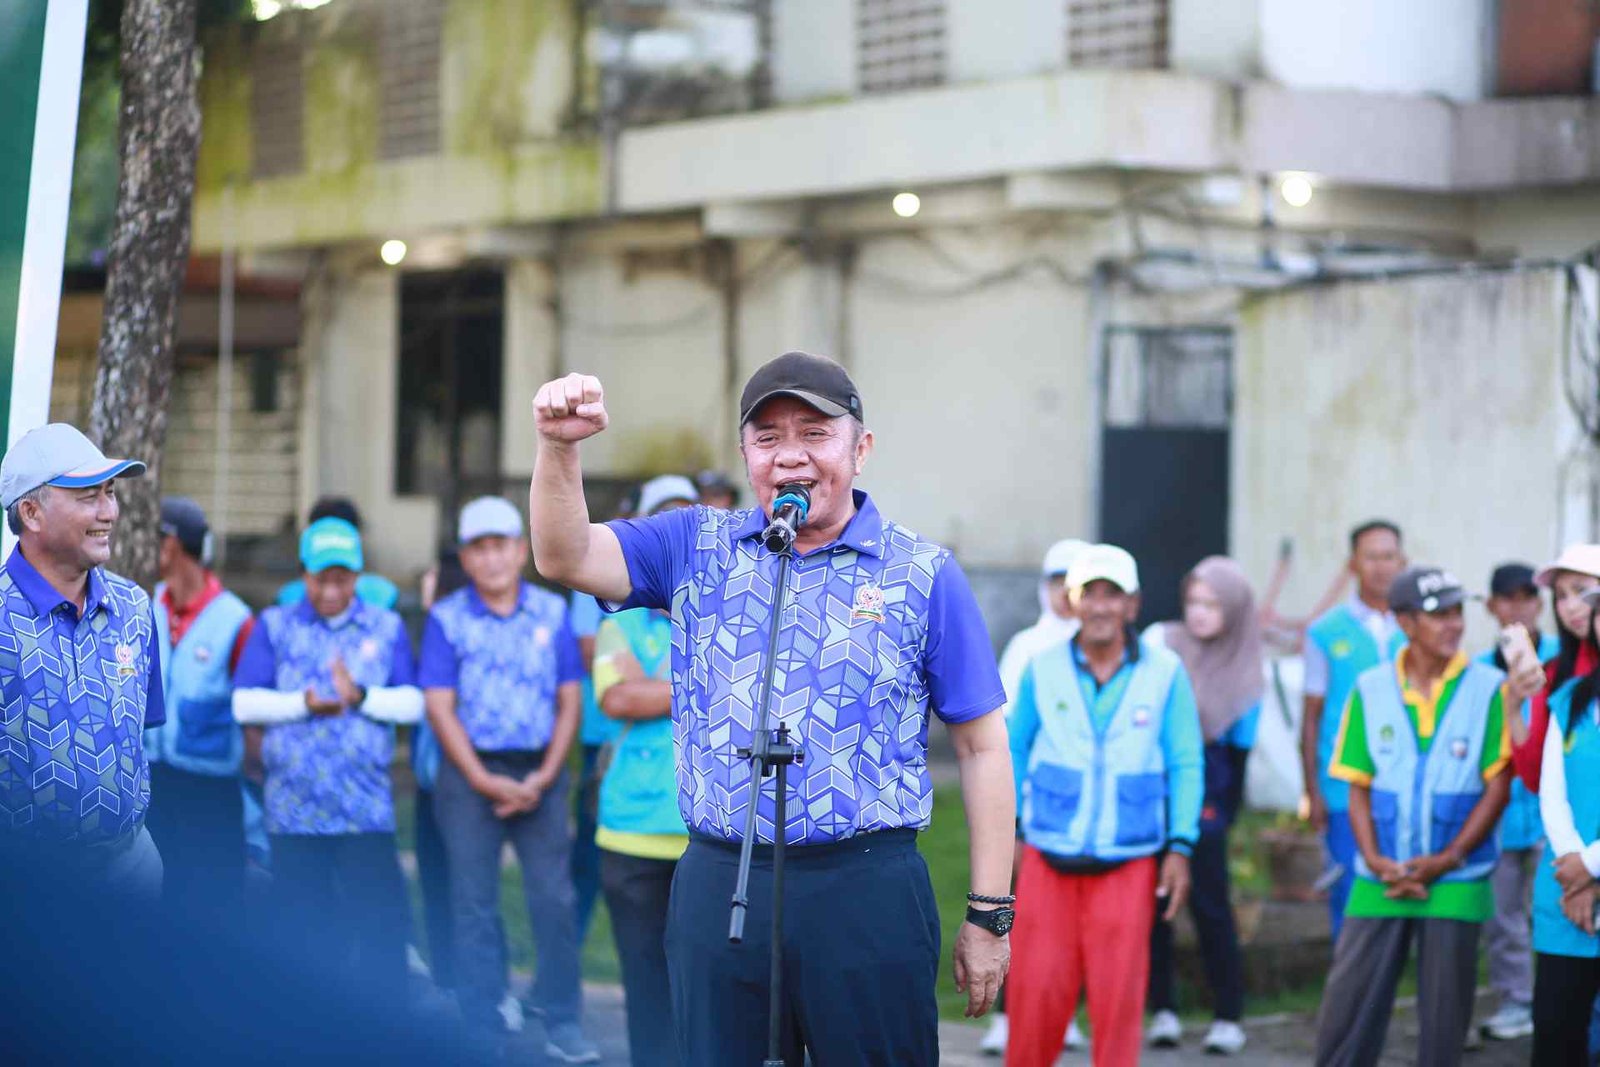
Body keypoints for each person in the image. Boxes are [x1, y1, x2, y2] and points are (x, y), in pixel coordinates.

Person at [529, 352, 1015, 1066]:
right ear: (745, 453)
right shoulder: (693, 544)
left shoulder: (923, 574)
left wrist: (989, 911)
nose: (791, 456)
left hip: (867, 888)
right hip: (722, 885)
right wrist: (558, 446)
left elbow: (982, 746)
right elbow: (564, 555)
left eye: (815, 433)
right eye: (768, 437)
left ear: (861, 448)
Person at [1313, 566, 1525, 1067]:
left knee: (1443, 1026)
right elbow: (1357, 785)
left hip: (1458, 877)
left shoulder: (1491, 686)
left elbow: (1498, 785)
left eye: (1457, 613)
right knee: (1345, 1016)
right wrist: (1374, 859)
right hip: (1380, 876)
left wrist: (1448, 859)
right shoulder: (1370, 687)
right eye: (1438, 615)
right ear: (1405, 622)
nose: (1453, 625)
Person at [1005, 543, 1203, 1067]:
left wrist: (1180, 845)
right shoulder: (1041, 668)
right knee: (1035, 996)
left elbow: (1186, 761)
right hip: (1048, 857)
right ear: (1070, 603)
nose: (1099, 607)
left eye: (1111, 595)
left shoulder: (1165, 673)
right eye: (1087, 594)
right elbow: (1012, 750)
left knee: (1119, 1004)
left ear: (1132, 605)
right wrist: (1012, 831)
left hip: (1129, 860)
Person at [417, 496, 597, 1063]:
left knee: (554, 898)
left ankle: (561, 1018)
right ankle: (483, 1021)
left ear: (521, 551)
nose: (492, 558)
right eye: (479, 548)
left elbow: (570, 698)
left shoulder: (552, 612)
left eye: (501, 545)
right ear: (466, 559)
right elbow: (440, 707)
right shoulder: (447, 619)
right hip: (468, 773)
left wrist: (545, 776)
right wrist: (482, 779)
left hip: (539, 770)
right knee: (474, 902)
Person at [231, 516, 423, 1004]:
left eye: (342, 577)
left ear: (358, 576)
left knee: (381, 932)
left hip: (365, 812)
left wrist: (360, 696)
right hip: (294, 810)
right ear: (303, 575)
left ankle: (385, 1035)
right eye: (321, 578)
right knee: (300, 935)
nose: (331, 589)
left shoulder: (386, 625)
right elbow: (244, 703)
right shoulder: (275, 625)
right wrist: (302, 704)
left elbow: (414, 703)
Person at [0, 424, 164, 899]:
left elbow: (139, 741)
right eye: (88, 496)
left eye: (110, 493)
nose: (109, 512)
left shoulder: (134, 609)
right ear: (31, 512)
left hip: (131, 875)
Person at [591, 474, 699, 1065]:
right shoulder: (620, 621)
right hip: (631, 834)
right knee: (645, 985)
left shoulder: (727, 615)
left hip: (707, 840)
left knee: (708, 986)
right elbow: (618, 699)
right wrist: (708, 684)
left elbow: (640, 692)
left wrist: (651, 686)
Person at [1143, 557, 1263, 1056]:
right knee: (1152, 907)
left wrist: (1219, 817)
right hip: (1151, 789)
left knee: (1212, 905)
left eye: (1212, 604)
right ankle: (1162, 1010)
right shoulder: (1159, 642)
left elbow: (1238, 756)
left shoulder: (1246, 668)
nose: (1198, 614)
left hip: (1209, 798)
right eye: (1193, 601)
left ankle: (1227, 1016)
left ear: (1233, 610)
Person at [983, 536, 1091, 1058]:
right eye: (1056, 582)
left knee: (1074, 921)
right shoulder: (1028, 645)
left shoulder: (1100, 644)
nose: (1065, 595)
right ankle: (1005, 1017)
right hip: (1028, 799)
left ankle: (1064, 1014)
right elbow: (1004, 732)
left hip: (1081, 808)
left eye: (1075, 584)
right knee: (1013, 909)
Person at [144, 497, 254, 912]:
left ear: (170, 546)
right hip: (152, 780)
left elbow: (249, 714)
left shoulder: (235, 619)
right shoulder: (144, 606)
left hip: (210, 791)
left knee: (211, 908)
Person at [1301, 520, 1407, 942]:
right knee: (1351, 893)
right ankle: (1348, 999)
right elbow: (1311, 716)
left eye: (1389, 556)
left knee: (1402, 891)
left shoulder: (1421, 626)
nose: (1381, 567)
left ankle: (1390, 994)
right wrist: (1312, 791)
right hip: (1344, 789)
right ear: (1353, 564)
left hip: (1405, 787)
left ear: (1403, 561)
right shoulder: (1325, 632)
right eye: (1371, 557)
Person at [1474, 562, 1559, 1042]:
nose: (1518, 605)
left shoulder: (1565, 659)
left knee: (1552, 907)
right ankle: (1516, 1000)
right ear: (1491, 606)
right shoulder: (1481, 670)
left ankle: (1557, 995)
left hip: (1553, 809)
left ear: (1539, 603)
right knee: (1504, 911)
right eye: (1507, 597)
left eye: (1527, 595)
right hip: (1504, 809)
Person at [1532, 588, 1600, 1063]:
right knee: (1557, 1031)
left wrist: (1590, 867)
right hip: (1565, 892)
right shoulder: (1571, 698)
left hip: (1578, 875)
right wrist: (1575, 873)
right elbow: (1552, 795)